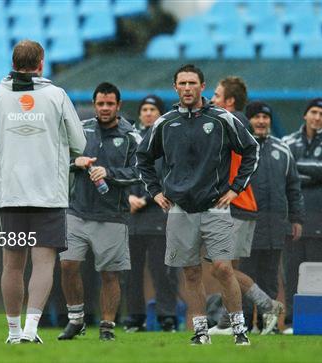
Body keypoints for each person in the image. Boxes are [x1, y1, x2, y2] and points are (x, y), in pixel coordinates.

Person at [0, 40, 86, 344]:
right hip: (48, 192)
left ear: (13, 62)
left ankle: (13, 332)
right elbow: (80, 144)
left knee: (12, 265)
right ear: (41, 63)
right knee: (43, 262)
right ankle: (32, 330)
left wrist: (2, 143)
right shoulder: (56, 95)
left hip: (10, 193)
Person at [137, 64, 259, 345]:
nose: (187, 88)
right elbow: (142, 158)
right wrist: (155, 191)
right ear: (175, 88)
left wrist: (235, 189)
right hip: (179, 208)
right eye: (182, 83)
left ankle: (239, 329)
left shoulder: (222, 118)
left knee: (223, 268)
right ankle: (201, 331)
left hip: (215, 206)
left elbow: (251, 149)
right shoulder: (165, 122)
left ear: (202, 87)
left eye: (192, 83)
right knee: (190, 272)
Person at [58, 82, 140, 342]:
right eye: (100, 104)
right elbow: (57, 160)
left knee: (109, 273)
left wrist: (110, 173)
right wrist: (75, 162)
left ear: (118, 106)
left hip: (112, 215)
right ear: (94, 105)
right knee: (68, 265)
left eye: (110, 104)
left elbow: (141, 172)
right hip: (77, 211)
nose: (105, 108)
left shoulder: (131, 136)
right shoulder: (81, 131)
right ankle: (76, 319)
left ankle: (107, 326)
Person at [210, 77, 284, 335]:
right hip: (235, 206)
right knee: (227, 268)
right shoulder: (230, 121)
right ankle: (231, 321)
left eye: (216, 96)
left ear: (229, 102)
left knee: (222, 267)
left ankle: (267, 305)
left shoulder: (235, 120)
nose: (212, 99)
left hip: (237, 206)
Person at [238, 101, 305, 332]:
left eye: (265, 117)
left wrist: (296, 219)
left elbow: (293, 187)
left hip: (276, 224)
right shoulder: (239, 149)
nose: (261, 121)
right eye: (256, 117)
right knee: (246, 274)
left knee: (270, 276)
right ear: (249, 120)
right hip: (246, 223)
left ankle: (268, 323)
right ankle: (246, 324)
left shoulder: (282, 149)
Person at [123, 95, 179, 333]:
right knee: (131, 273)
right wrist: (127, 197)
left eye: (152, 109)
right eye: (144, 109)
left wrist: (145, 199)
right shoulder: (127, 140)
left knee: (163, 272)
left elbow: (173, 176)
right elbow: (122, 172)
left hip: (159, 216)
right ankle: (136, 318)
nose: (147, 113)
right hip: (131, 218)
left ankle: (168, 318)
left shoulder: (169, 140)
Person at [281, 98, 322, 335]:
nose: (317, 117)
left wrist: (297, 168)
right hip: (292, 217)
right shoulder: (287, 142)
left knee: (319, 271)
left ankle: (317, 321)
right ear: (305, 115)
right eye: (313, 112)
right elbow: (282, 171)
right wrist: (315, 171)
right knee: (291, 270)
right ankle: (291, 322)